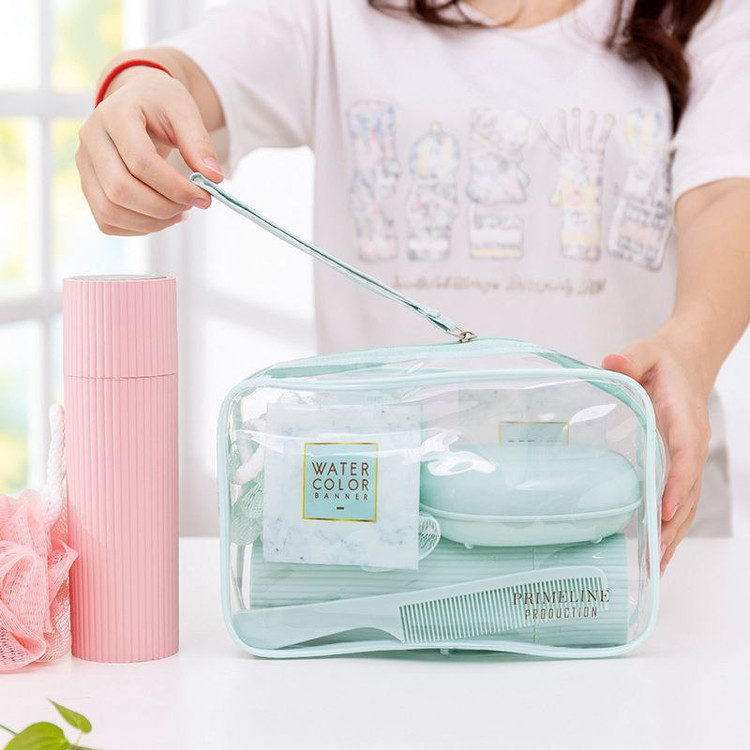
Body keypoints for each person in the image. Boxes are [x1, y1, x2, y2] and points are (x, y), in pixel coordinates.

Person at [76, 0, 750, 572]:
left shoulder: (706, 14)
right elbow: (189, 72)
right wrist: (136, 94)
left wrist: (689, 351)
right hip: (387, 546)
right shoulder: (333, 15)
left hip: (643, 539)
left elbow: (727, 194)